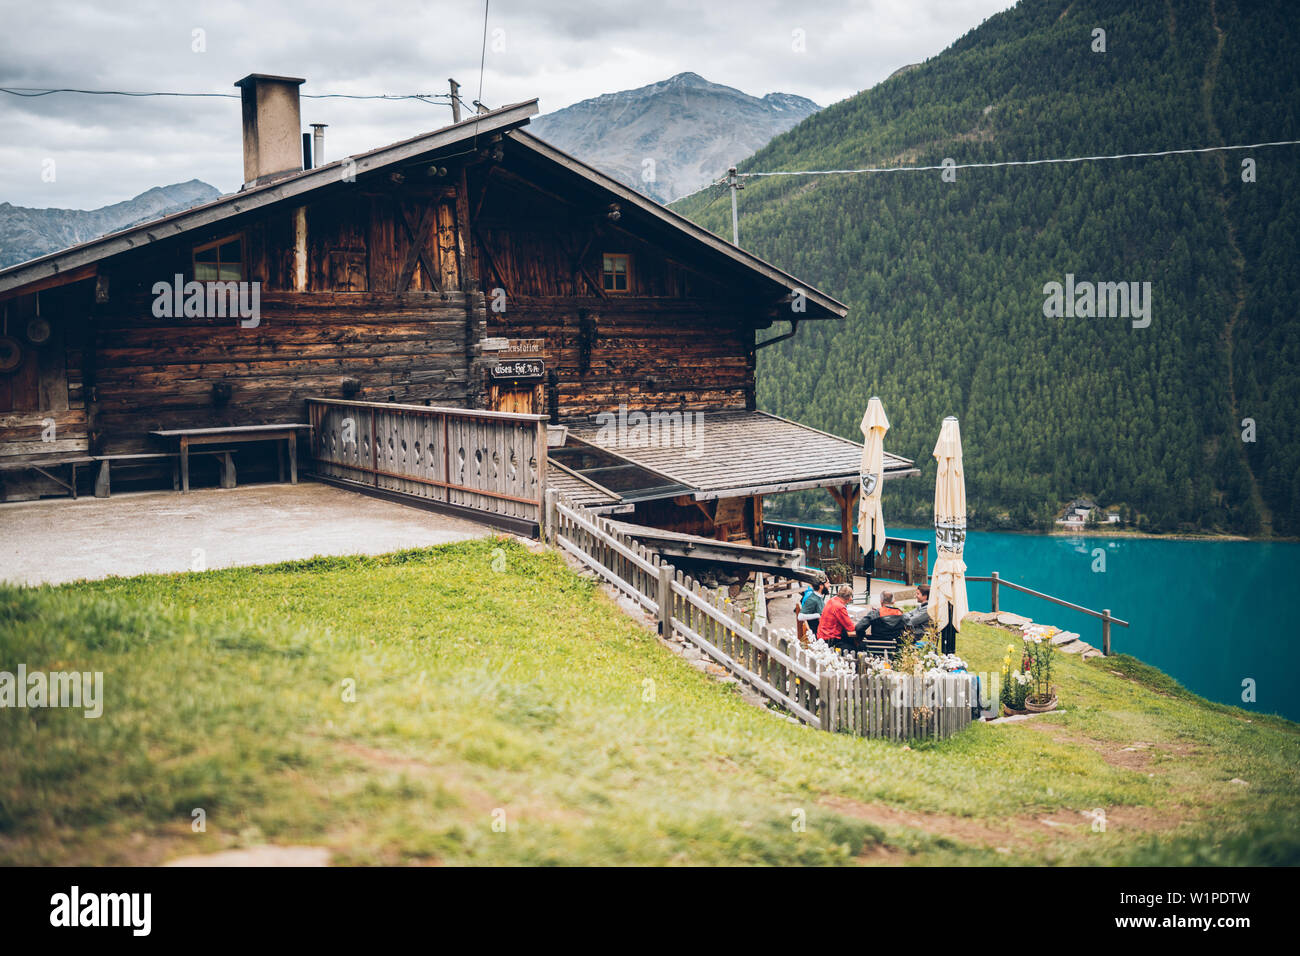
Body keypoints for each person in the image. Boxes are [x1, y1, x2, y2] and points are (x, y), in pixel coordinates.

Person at [816, 584, 860, 651]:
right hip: (830, 641)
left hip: (822, 635)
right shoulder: (840, 607)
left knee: (849, 638)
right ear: (850, 598)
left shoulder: (832, 600)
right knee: (856, 648)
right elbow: (851, 628)